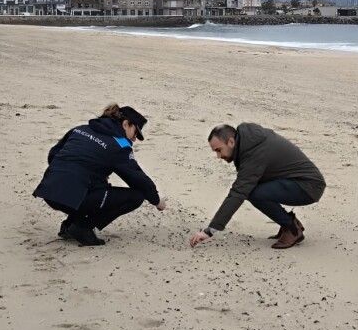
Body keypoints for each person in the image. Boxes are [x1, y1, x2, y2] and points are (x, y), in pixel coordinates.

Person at [33, 104, 165, 246]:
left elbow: (53, 155)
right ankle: (82, 227)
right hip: (72, 196)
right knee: (136, 196)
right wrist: (156, 201)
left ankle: (69, 225)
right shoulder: (119, 145)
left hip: (49, 191)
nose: (134, 139)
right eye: (135, 133)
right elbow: (137, 179)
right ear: (126, 124)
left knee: (97, 184)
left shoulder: (80, 129)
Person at [189, 122, 325, 250]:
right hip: (295, 181)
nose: (218, 156)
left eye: (219, 150)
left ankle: (292, 229)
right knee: (252, 190)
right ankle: (289, 224)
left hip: (308, 186)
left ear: (231, 142)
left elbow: (238, 192)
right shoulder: (249, 143)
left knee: (251, 193)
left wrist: (211, 230)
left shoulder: (254, 152)